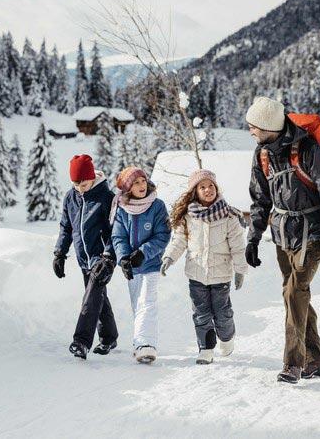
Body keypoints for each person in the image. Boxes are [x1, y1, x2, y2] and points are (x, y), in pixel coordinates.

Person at [244, 96, 320, 384]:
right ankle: (317, 361)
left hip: (313, 232)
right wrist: (253, 238)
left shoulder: (308, 150)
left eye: (253, 126)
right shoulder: (261, 154)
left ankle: (294, 364)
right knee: (294, 295)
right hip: (282, 233)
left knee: (294, 292)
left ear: (267, 127)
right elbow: (260, 199)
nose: (250, 131)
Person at [161, 169, 248, 365]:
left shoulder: (229, 216)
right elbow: (179, 241)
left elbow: (238, 246)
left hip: (221, 274)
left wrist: (240, 270)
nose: (207, 190)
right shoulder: (189, 217)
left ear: (216, 188)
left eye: (211, 186)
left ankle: (226, 338)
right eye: (202, 187)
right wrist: (169, 258)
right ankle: (206, 349)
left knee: (222, 314)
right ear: (195, 191)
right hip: (196, 273)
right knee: (201, 314)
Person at [54, 154, 118, 360]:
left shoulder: (106, 198)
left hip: (102, 258)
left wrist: (108, 257)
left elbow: (115, 230)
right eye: (76, 184)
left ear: (92, 177)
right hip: (84, 259)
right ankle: (109, 337)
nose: (80, 188)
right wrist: (60, 253)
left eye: (84, 184)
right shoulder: (70, 197)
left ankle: (81, 341)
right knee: (98, 297)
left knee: (90, 299)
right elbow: (66, 227)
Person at [109, 166, 171, 364]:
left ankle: (147, 344)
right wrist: (124, 258)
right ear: (128, 188)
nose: (141, 185)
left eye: (143, 180)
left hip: (151, 263)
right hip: (133, 268)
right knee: (138, 305)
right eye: (136, 183)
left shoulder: (157, 206)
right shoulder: (122, 208)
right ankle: (139, 345)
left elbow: (163, 235)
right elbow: (118, 236)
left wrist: (143, 252)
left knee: (148, 302)